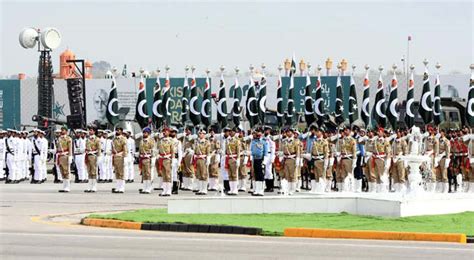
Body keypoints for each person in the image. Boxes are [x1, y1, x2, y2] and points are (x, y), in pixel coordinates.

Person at [280, 128, 301, 195]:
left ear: (292, 133)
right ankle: (288, 189)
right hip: (286, 159)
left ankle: (293, 189)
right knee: (287, 175)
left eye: (289, 132)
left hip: (292, 159)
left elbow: (298, 151)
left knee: (293, 175)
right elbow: (282, 150)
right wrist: (281, 156)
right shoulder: (284, 141)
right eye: (287, 132)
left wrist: (298, 159)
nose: (288, 133)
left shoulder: (296, 141)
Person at [336, 126, 357, 192]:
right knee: (343, 174)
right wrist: (338, 158)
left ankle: (351, 189)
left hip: (349, 158)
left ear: (350, 131)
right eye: (344, 130)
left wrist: (354, 161)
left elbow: (354, 151)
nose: (345, 131)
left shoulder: (352, 140)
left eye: (347, 130)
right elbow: (339, 150)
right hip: (342, 158)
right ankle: (345, 189)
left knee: (350, 175)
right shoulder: (341, 140)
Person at [310, 126, 329, 193]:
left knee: (321, 175)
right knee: (316, 175)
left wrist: (326, 161)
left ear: (321, 133)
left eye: (318, 132)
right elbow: (312, 151)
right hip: (314, 159)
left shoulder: (324, 141)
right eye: (316, 132)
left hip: (321, 160)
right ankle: (318, 189)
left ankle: (322, 189)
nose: (316, 133)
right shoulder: (314, 141)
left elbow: (326, 152)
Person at [250, 127, 268, 196]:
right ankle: (257, 190)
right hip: (255, 159)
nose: (258, 133)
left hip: (261, 159)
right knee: (256, 174)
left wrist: (264, 162)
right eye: (257, 132)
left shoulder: (263, 141)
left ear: (262, 133)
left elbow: (266, 152)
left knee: (261, 175)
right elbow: (252, 150)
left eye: (259, 132)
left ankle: (261, 190)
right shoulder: (254, 141)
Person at [372, 127, 391, 193]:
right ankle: (378, 189)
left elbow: (388, 152)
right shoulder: (375, 140)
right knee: (376, 175)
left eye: (380, 132)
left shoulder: (385, 141)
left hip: (381, 159)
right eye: (378, 131)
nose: (378, 133)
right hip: (375, 158)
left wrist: (387, 161)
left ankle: (384, 189)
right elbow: (373, 149)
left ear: (382, 133)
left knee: (382, 175)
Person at [157, 128, 175, 196]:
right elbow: (158, 149)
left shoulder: (171, 141)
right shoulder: (161, 140)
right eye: (164, 131)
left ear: (169, 132)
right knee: (163, 175)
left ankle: (169, 190)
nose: (164, 133)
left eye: (166, 131)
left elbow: (172, 151)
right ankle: (164, 190)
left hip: (167, 159)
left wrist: (172, 160)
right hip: (161, 158)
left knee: (168, 175)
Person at [193, 129, 211, 195]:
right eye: (200, 133)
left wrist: (208, 159)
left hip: (203, 159)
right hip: (197, 159)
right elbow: (195, 150)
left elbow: (208, 152)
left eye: (202, 133)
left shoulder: (207, 142)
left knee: (204, 174)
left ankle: (204, 189)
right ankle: (200, 189)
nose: (201, 135)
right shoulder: (196, 142)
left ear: (204, 135)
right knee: (199, 174)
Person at [111, 127, 128, 193]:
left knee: (121, 173)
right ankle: (118, 187)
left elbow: (125, 149)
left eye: (118, 130)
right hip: (115, 157)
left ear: (121, 131)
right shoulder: (114, 139)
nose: (117, 131)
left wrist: (125, 157)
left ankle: (122, 187)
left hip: (121, 157)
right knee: (117, 172)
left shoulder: (123, 139)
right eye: (116, 130)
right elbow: (113, 148)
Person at [84, 126, 101, 193]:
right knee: (89, 171)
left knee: (93, 171)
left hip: (94, 156)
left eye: (91, 130)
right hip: (88, 156)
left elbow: (99, 148)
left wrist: (99, 156)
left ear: (94, 131)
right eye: (89, 130)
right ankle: (89, 186)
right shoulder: (88, 139)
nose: (90, 131)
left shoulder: (97, 139)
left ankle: (94, 186)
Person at [138, 127, 155, 194]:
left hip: (148, 158)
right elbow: (140, 150)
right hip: (142, 158)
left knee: (148, 173)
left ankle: (148, 188)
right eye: (144, 132)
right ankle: (144, 188)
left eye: (146, 133)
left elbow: (153, 149)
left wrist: (152, 158)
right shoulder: (141, 140)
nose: (144, 134)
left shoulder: (151, 140)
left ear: (149, 133)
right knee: (144, 174)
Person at [225, 128, 241, 195]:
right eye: (230, 132)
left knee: (234, 174)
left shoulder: (237, 140)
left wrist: (238, 159)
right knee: (230, 174)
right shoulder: (227, 140)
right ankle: (231, 189)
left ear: (235, 132)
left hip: (234, 158)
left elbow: (238, 151)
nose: (230, 133)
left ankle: (235, 189)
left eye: (232, 131)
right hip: (228, 158)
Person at [57, 126, 73, 192]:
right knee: (62, 171)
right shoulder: (59, 138)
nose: (62, 131)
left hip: (65, 155)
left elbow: (70, 148)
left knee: (66, 171)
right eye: (62, 130)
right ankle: (64, 186)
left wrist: (70, 156)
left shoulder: (68, 138)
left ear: (66, 131)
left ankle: (67, 187)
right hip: (60, 156)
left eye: (63, 130)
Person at [436, 128, 451, 193]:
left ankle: (445, 189)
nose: (440, 133)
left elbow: (447, 150)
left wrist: (448, 159)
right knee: (438, 173)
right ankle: (439, 188)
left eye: (441, 132)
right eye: (440, 132)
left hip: (443, 158)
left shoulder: (446, 141)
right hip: (437, 157)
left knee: (444, 173)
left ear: (444, 133)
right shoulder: (437, 140)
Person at [263, 126, 275, 192]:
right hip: (265, 155)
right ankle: (267, 186)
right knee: (266, 171)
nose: (266, 131)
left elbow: (273, 147)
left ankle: (271, 187)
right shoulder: (263, 137)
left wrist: (272, 157)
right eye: (265, 130)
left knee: (269, 171)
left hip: (269, 154)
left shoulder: (270, 137)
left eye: (267, 130)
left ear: (269, 131)